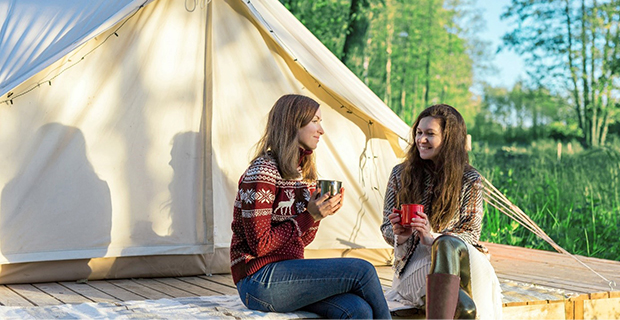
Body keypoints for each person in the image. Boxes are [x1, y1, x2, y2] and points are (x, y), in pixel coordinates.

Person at [230, 94, 391, 319]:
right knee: (363, 271)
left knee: (357, 309)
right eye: (315, 121)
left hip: (289, 274)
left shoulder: (301, 174)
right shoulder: (263, 172)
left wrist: (317, 216)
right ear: (293, 123)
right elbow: (259, 245)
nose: (321, 130)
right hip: (257, 280)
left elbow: (301, 241)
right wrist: (308, 216)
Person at [380, 104, 502, 319]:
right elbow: (385, 228)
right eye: (418, 133)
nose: (421, 140)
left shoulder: (469, 179)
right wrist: (401, 234)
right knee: (465, 309)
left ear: (449, 139)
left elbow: (471, 234)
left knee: (446, 243)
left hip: (464, 265)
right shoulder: (401, 174)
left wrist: (432, 236)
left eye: (430, 134)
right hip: (416, 265)